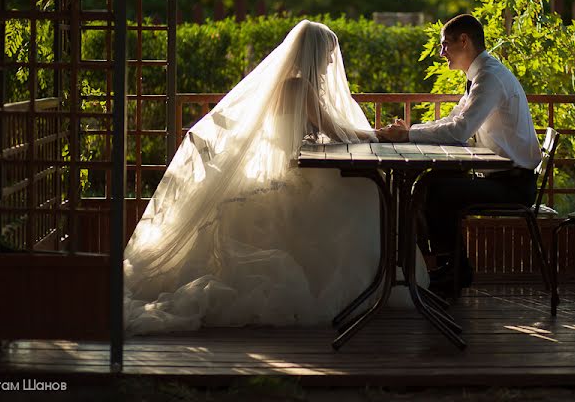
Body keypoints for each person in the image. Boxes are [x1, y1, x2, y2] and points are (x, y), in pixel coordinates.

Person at [124, 20, 427, 335]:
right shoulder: (299, 86)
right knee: (364, 194)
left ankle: (376, 282)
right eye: (327, 56)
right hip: (293, 175)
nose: (329, 64)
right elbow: (333, 130)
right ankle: (369, 286)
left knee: (363, 189)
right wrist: (381, 134)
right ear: (315, 54)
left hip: (293, 168)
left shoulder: (288, 83)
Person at [377, 14, 541, 296]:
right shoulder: (482, 75)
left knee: (437, 191)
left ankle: (455, 272)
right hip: (501, 177)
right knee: (431, 183)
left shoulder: (489, 77)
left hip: (514, 185)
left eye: (444, 45)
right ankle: (451, 268)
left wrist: (408, 136)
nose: (441, 53)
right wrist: (411, 130)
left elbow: (459, 131)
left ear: (463, 41)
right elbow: (453, 119)